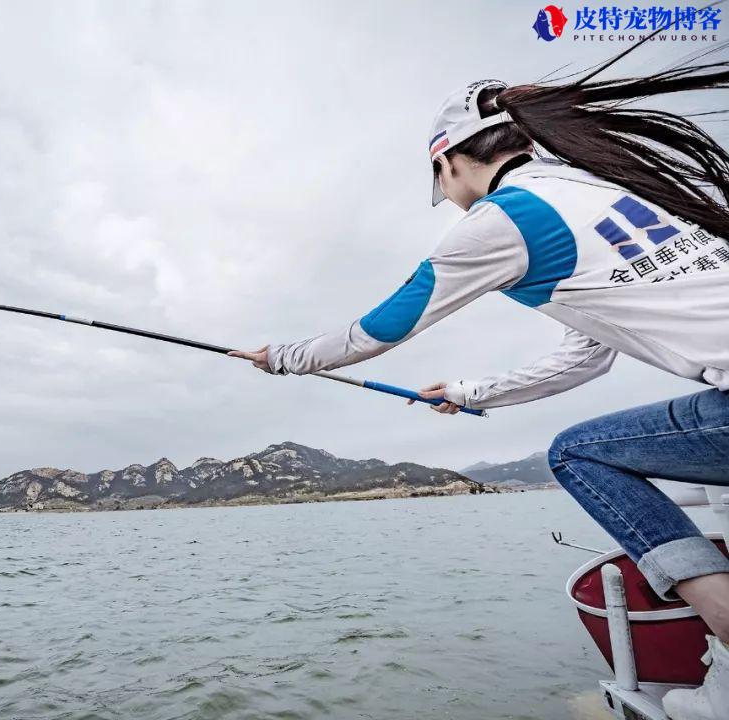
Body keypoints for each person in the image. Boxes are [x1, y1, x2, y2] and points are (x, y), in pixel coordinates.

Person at [230, 55, 729, 719]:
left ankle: (723, 621)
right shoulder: (606, 194)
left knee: (577, 454)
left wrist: (282, 357)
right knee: (584, 447)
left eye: (443, 181)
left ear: (451, 162)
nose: (451, 195)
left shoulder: (506, 217)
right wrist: (469, 392)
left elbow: (380, 328)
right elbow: (584, 361)